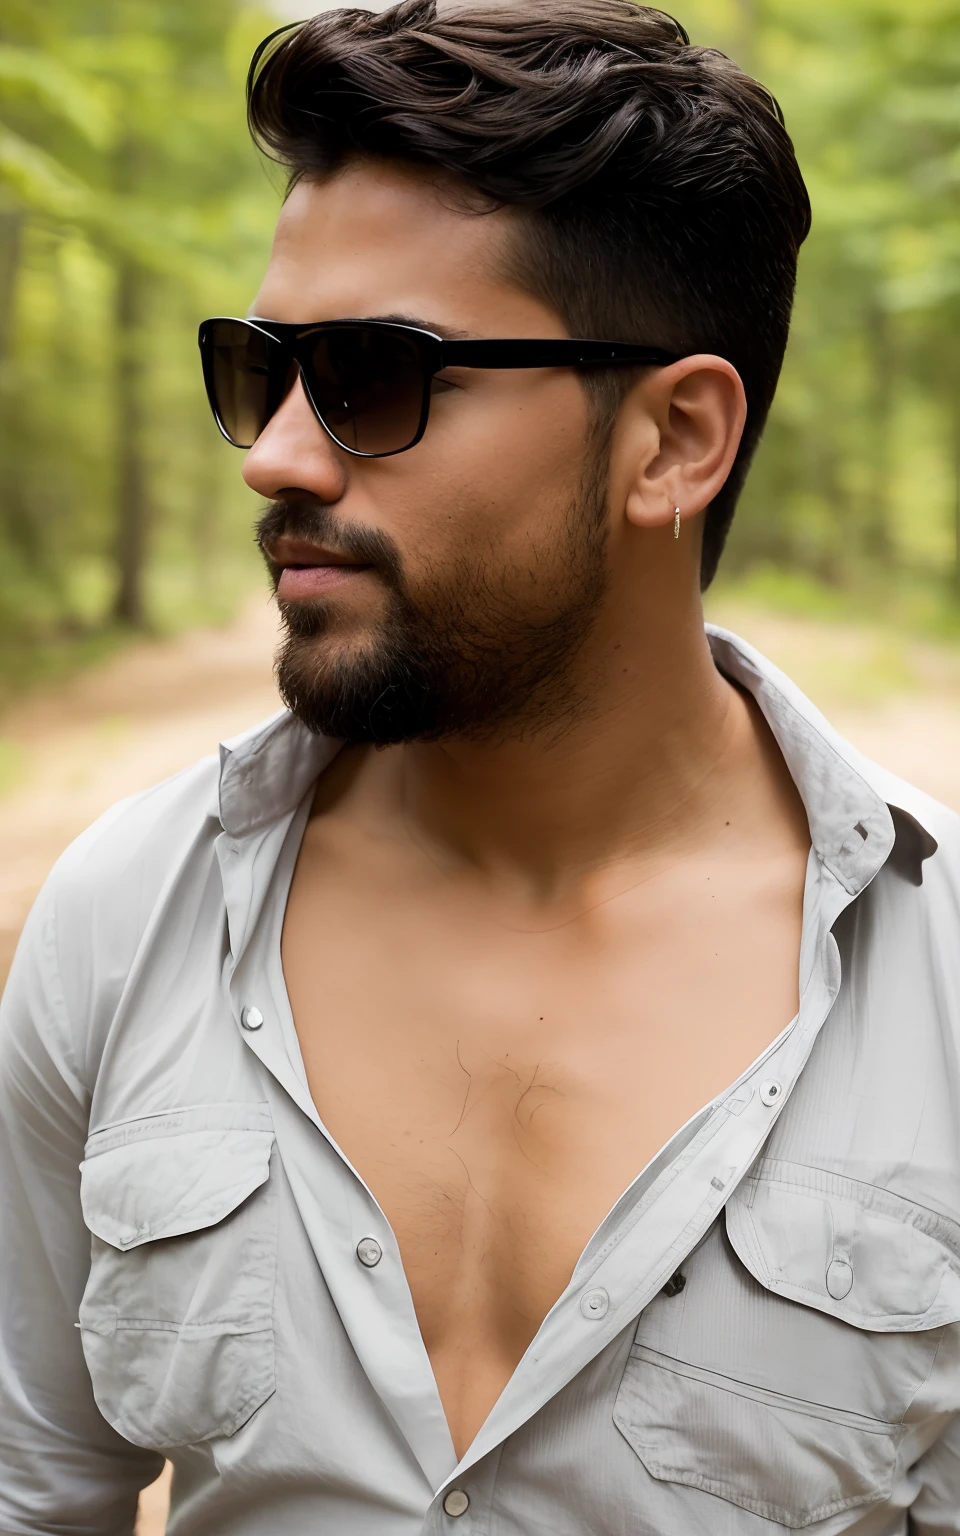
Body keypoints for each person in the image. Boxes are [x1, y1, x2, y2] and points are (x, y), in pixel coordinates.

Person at [2, 1, 959, 1530]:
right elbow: (37, 1489)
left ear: (672, 442)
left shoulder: (940, 985)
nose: (278, 457)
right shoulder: (129, 919)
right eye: (262, 369)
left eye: (375, 377)